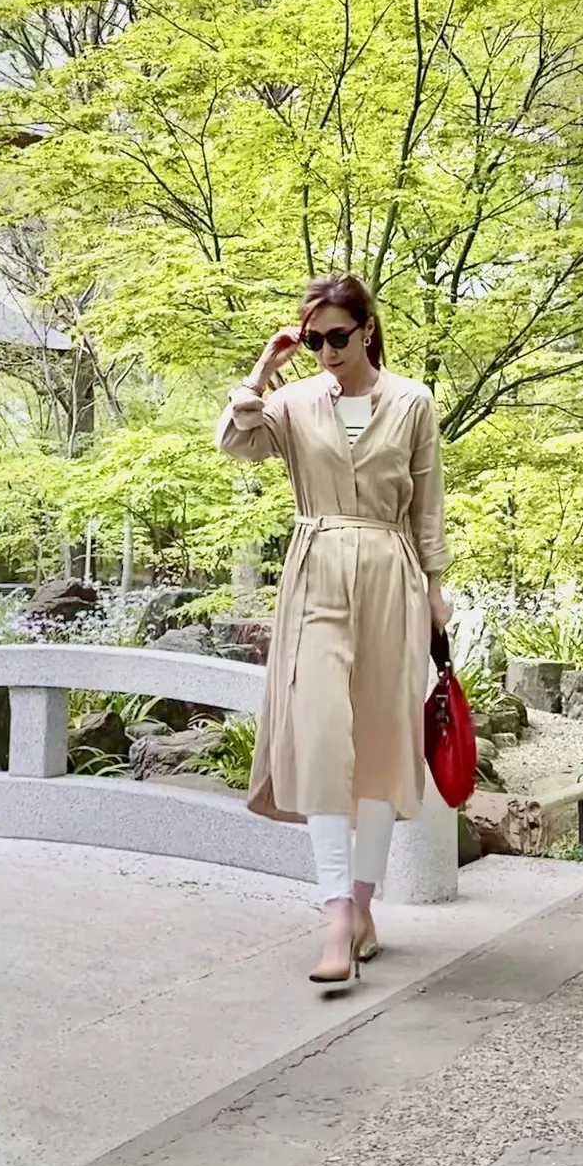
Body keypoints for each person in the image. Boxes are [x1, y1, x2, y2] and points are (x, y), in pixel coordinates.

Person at [216, 274, 451, 986]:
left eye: (338, 337)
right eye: (314, 338)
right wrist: (263, 368)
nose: (325, 350)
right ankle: (334, 917)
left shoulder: (411, 401)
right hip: (316, 567)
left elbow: (428, 504)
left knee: (379, 746)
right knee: (319, 737)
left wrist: (437, 592)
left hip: (389, 571)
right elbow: (235, 442)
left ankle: (361, 904)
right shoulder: (290, 403)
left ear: (368, 328)